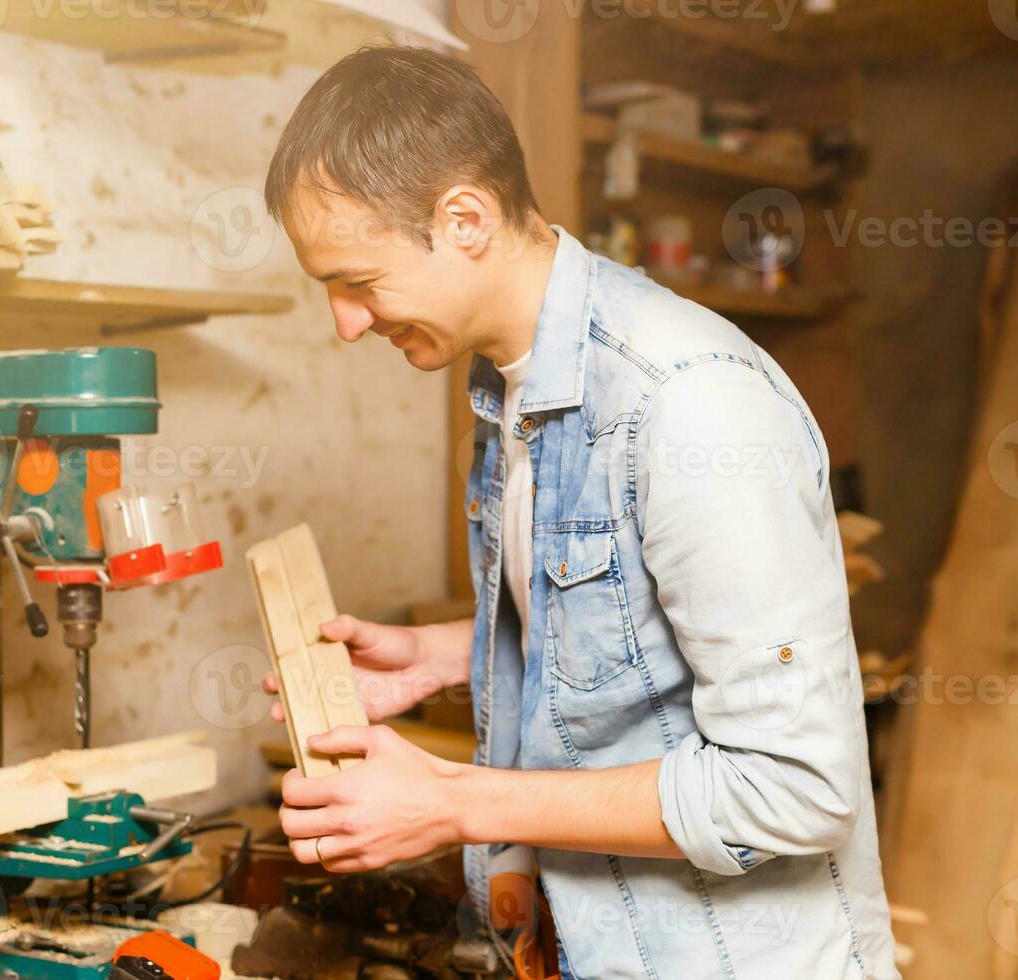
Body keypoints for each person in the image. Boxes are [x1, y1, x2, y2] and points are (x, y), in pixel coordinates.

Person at [258, 46, 897, 978]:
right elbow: (633, 613)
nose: (346, 322)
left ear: (465, 219)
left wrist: (455, 800)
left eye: (358, 281)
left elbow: (795, 787)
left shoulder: (689, 406)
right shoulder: (513, 382)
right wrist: (454, 651)